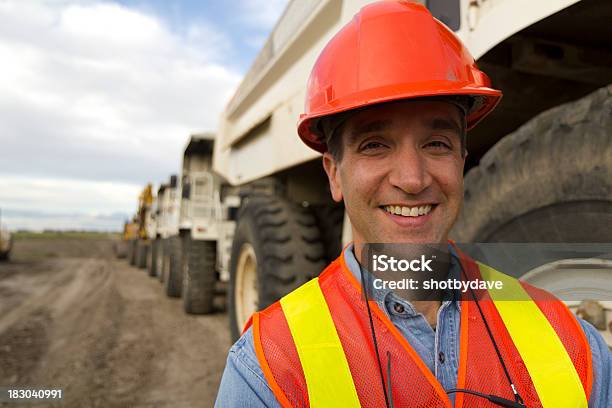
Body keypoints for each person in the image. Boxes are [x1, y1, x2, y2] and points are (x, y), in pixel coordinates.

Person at [216, 2, 610, 407]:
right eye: (375, 146)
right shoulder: (270, 368)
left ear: (461, 160)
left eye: (436, 144)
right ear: (334, 174)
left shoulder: (572, 343)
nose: (412, 179)